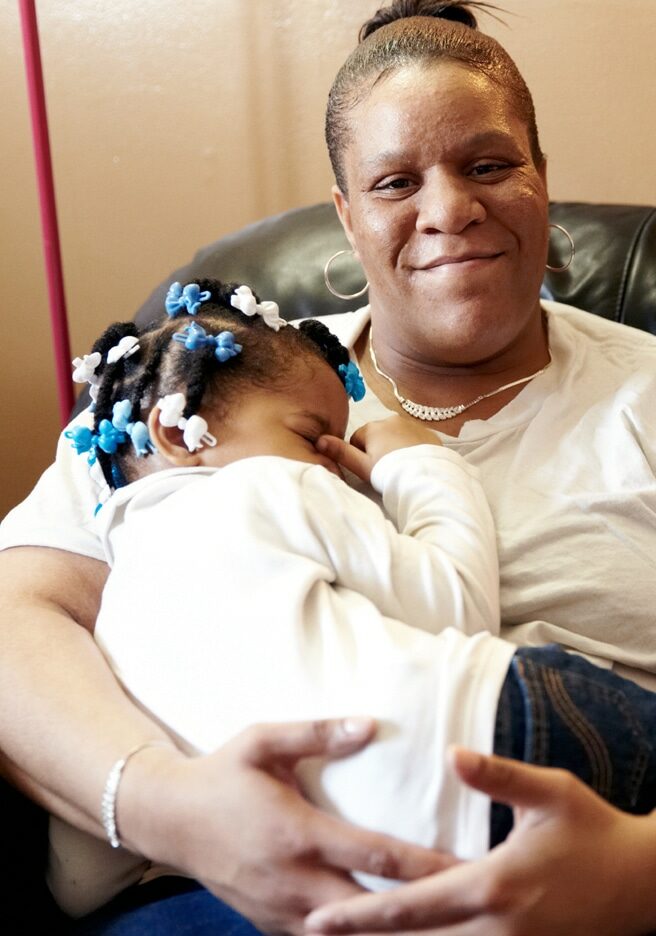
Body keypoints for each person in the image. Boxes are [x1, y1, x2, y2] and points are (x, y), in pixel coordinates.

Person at [1, 0, 655, 933]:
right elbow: (14, 620)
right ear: (346, 218)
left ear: (542, 178)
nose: (449, 210)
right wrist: (167, 810)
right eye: (395, 182)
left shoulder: (643, 395)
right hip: (210, 887)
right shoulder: (209, 395)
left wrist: (636, 876)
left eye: (489, 164)